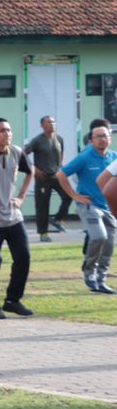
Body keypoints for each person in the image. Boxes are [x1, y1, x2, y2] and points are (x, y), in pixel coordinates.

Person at [0, 118, 35, 318]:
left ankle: (13, 300)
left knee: (23, 257)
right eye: (2, 130)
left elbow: (30, 172)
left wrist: (21, 197)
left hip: (13, 216)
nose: (7, 134)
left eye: (9, 130)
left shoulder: (17, 152)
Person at [56, 122, 117, 293]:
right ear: (91, 140)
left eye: (106, 136)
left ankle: (101, 279)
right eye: (99, 136)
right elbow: (61, 174)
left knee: (110, 243)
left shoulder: (113, 157)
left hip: (108, 207)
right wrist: (75, 196)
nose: (103, 139)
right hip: (89, 205)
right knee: (99, 237)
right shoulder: (85, 157)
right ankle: (89, 272)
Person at [25, 115, 71, 240]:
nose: (52, 124)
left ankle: (58, 219)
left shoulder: (59, 139)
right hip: (43, 178)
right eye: (49, 122)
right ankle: (43, 233)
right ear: (42, 125)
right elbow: (23, 154)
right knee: (43, 205)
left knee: (68, 196)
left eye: (53, 122)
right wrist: (34, 169)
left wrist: (62, 167)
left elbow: (62, 154)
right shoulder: (37, 140)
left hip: (56, 176)